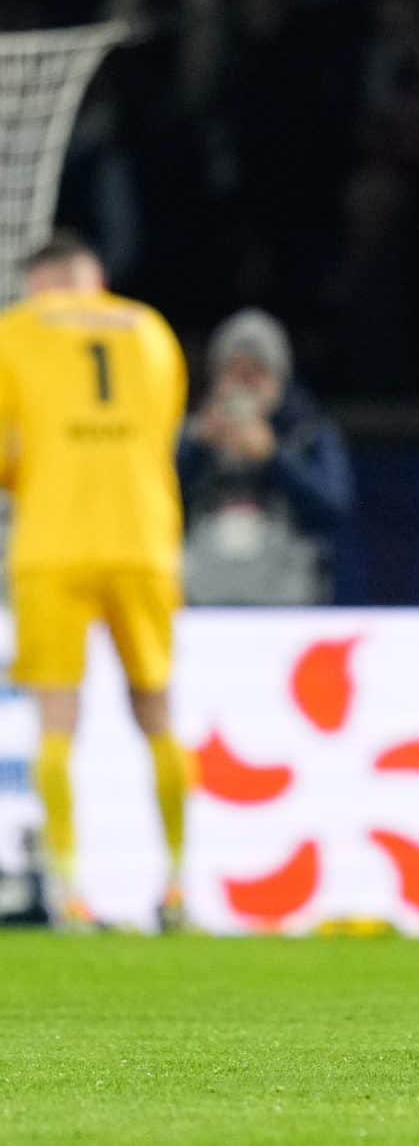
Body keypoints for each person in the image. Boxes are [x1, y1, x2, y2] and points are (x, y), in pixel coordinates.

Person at [0, 236, 188, 931]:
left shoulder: (16, 331)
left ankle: (69, 889)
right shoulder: (151, 330)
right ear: (96, 277)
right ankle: (176, 885)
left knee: (57, 719)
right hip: (143, 540)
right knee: (157, 711)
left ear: (39, 282)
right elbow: (164, 430)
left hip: (53, 543)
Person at [177, 309, 353, 605]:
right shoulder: (195, 431)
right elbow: (152, 507)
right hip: (201, 601)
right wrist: (197, 447)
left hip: (286, 601)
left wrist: (274, 457)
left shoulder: (307, 431)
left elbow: (334, 508)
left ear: (279, 378)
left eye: (256, 373)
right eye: (235, 372)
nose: (245, 385)